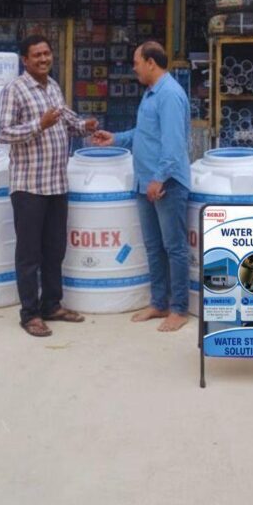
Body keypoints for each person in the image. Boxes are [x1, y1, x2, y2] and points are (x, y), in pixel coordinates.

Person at [0, 34, 98, 337]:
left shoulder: (53, 86)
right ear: (25, 60)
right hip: (29, 186)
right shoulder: (15, 90)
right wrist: (38, 125)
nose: (43, 59)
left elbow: (67, 121)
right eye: (36, 55)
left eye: (46, 53)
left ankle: (52, 305)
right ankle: (30, 314)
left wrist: (86, 126)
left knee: (55, 250)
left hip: (56, 184)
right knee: (30, 254)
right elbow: (3, 133)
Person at [92, 41, 191, 332]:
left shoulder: (169, 94)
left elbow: (174, 144)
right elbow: (145, 133)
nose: (133, 68)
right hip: (146, 182)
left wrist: (159, 178)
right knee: (153, 247)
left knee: (174, 247)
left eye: (136, 62)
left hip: (166, 185)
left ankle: (179, 308)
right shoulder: (150, 93)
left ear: (150, 62)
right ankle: (159, 303)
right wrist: (117, 138)